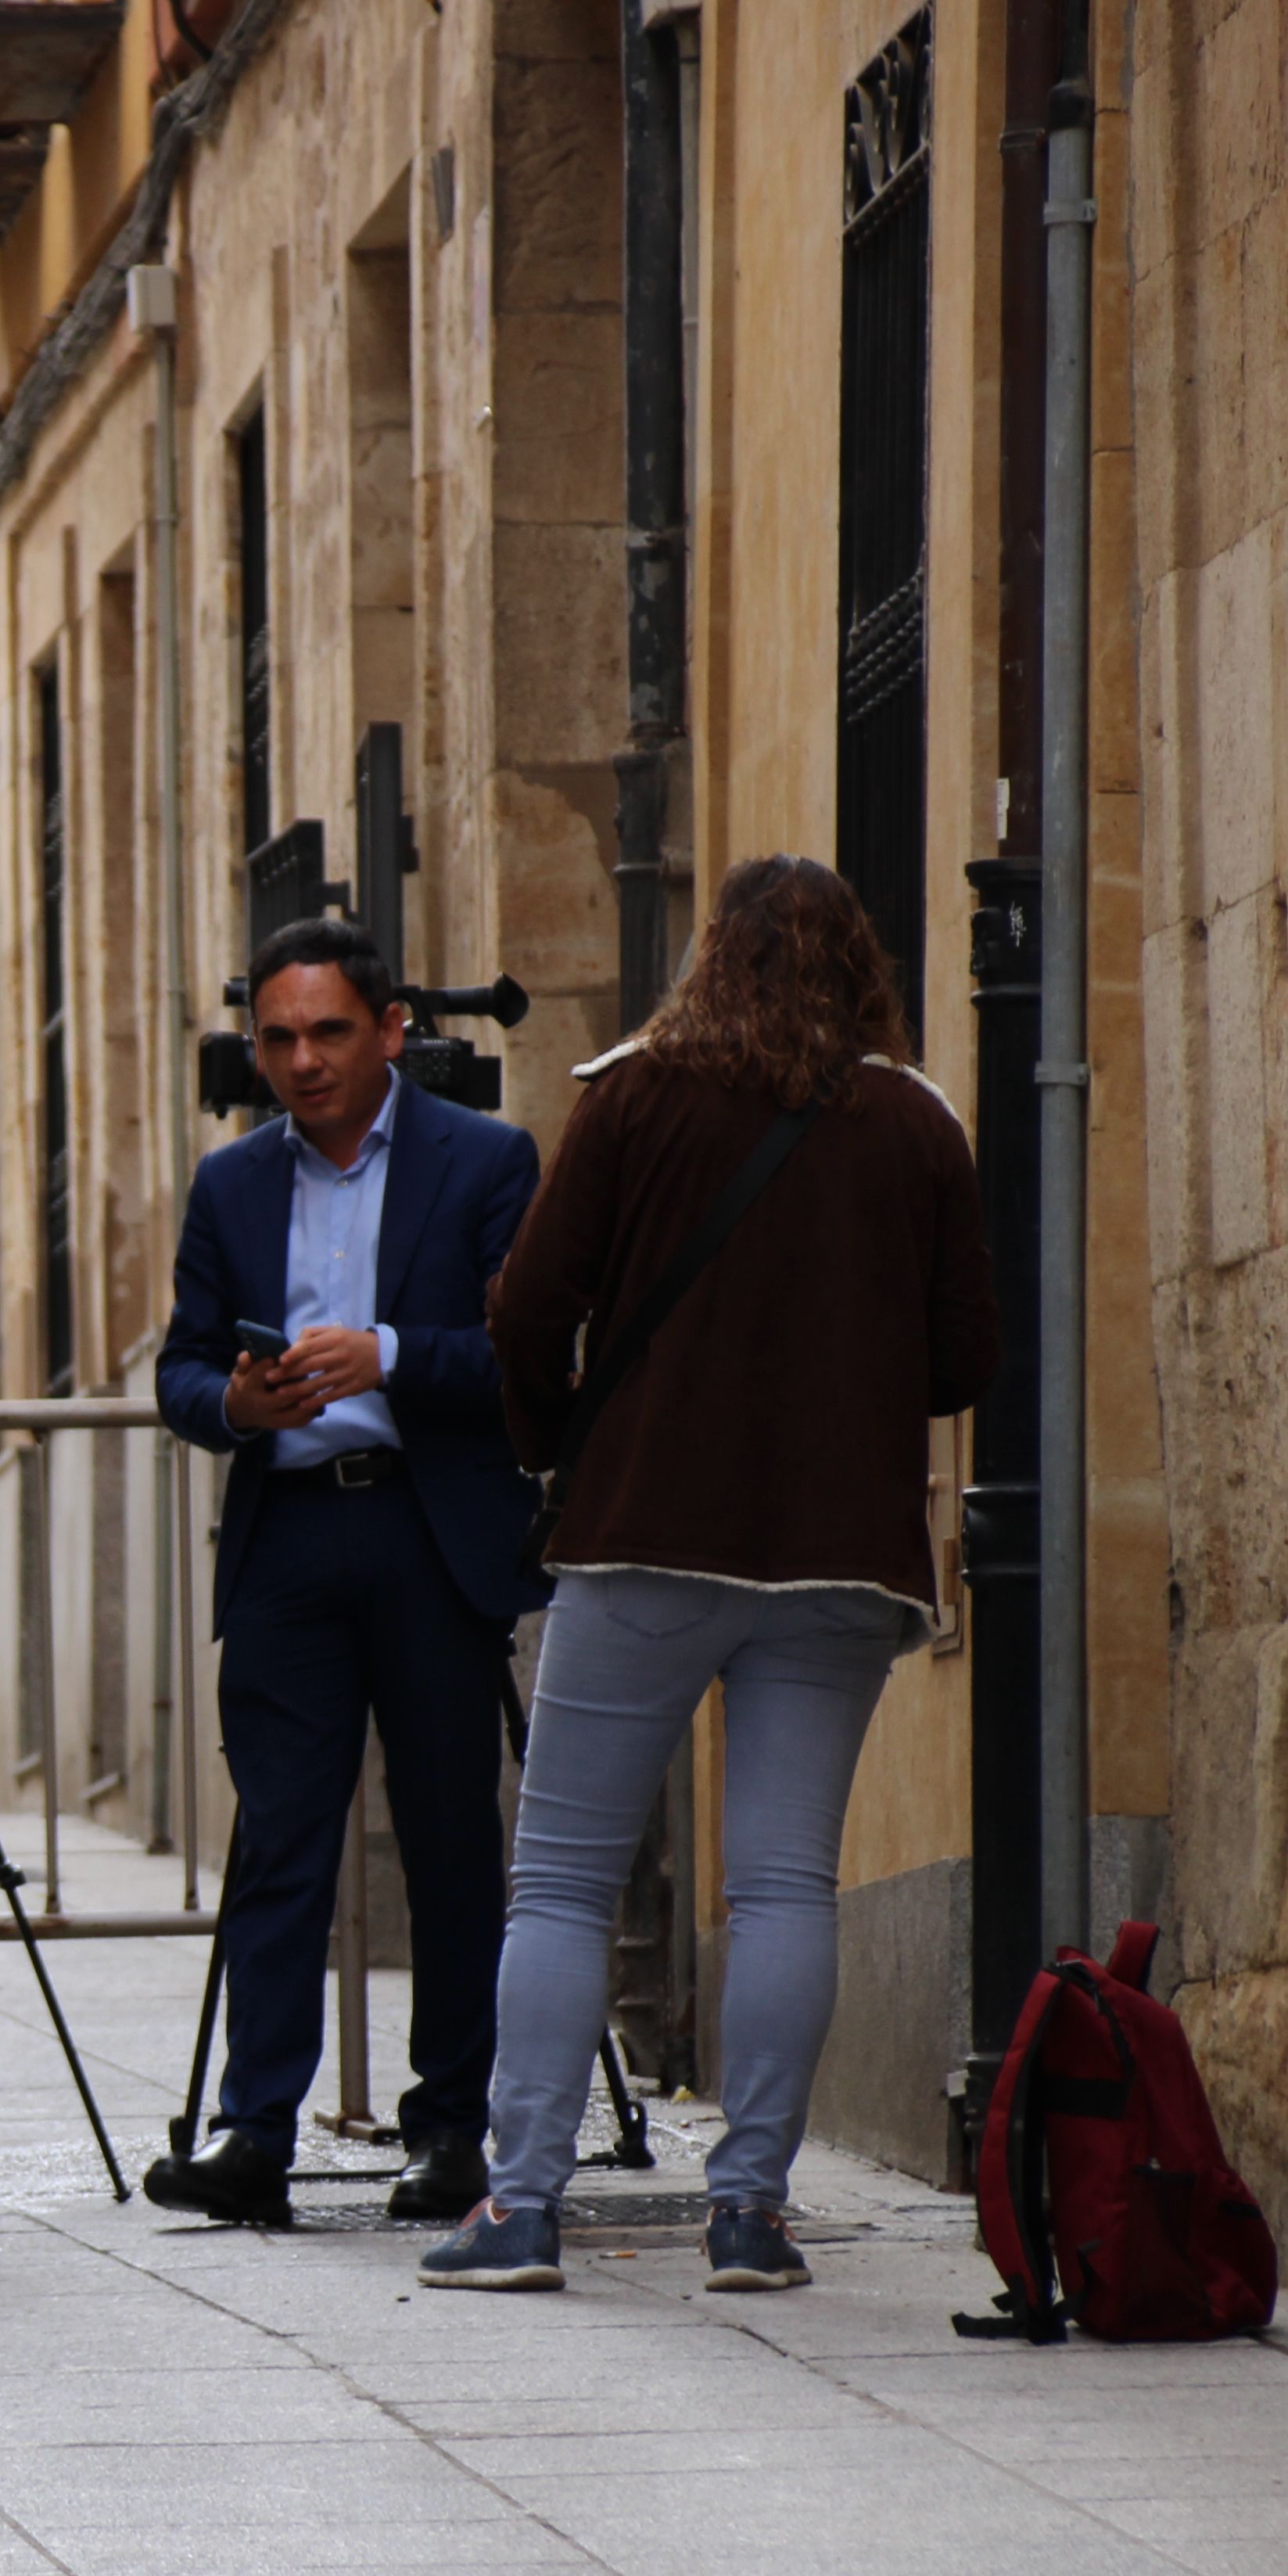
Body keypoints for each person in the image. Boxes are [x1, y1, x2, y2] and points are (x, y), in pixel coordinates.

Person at [423, 857, 997, 2294]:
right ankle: (749, 2211)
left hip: (642, 1539)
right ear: (864, 971)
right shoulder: (916, 1128)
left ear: (707, 959)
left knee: (557, 1881)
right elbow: (967, 1361)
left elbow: (529, 1308)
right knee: (788, 1882)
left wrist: (565, 1446)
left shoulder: (631, 1097)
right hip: (842, 1563)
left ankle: (522, 2206)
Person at [151, 919, 549, 2229]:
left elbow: (524, 1358)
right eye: (277, 1038)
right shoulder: (230, 1187)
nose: (304, 1061)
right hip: (288, 1536)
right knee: (280, 1840)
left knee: (447, 1838)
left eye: (330, 1032)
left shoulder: (487, 1161)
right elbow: (181, 1369)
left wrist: (388, 1354)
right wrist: (239, 1406)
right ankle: (255, 2131)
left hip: (428, 1533)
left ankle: (447, 2132)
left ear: (390, 1031)